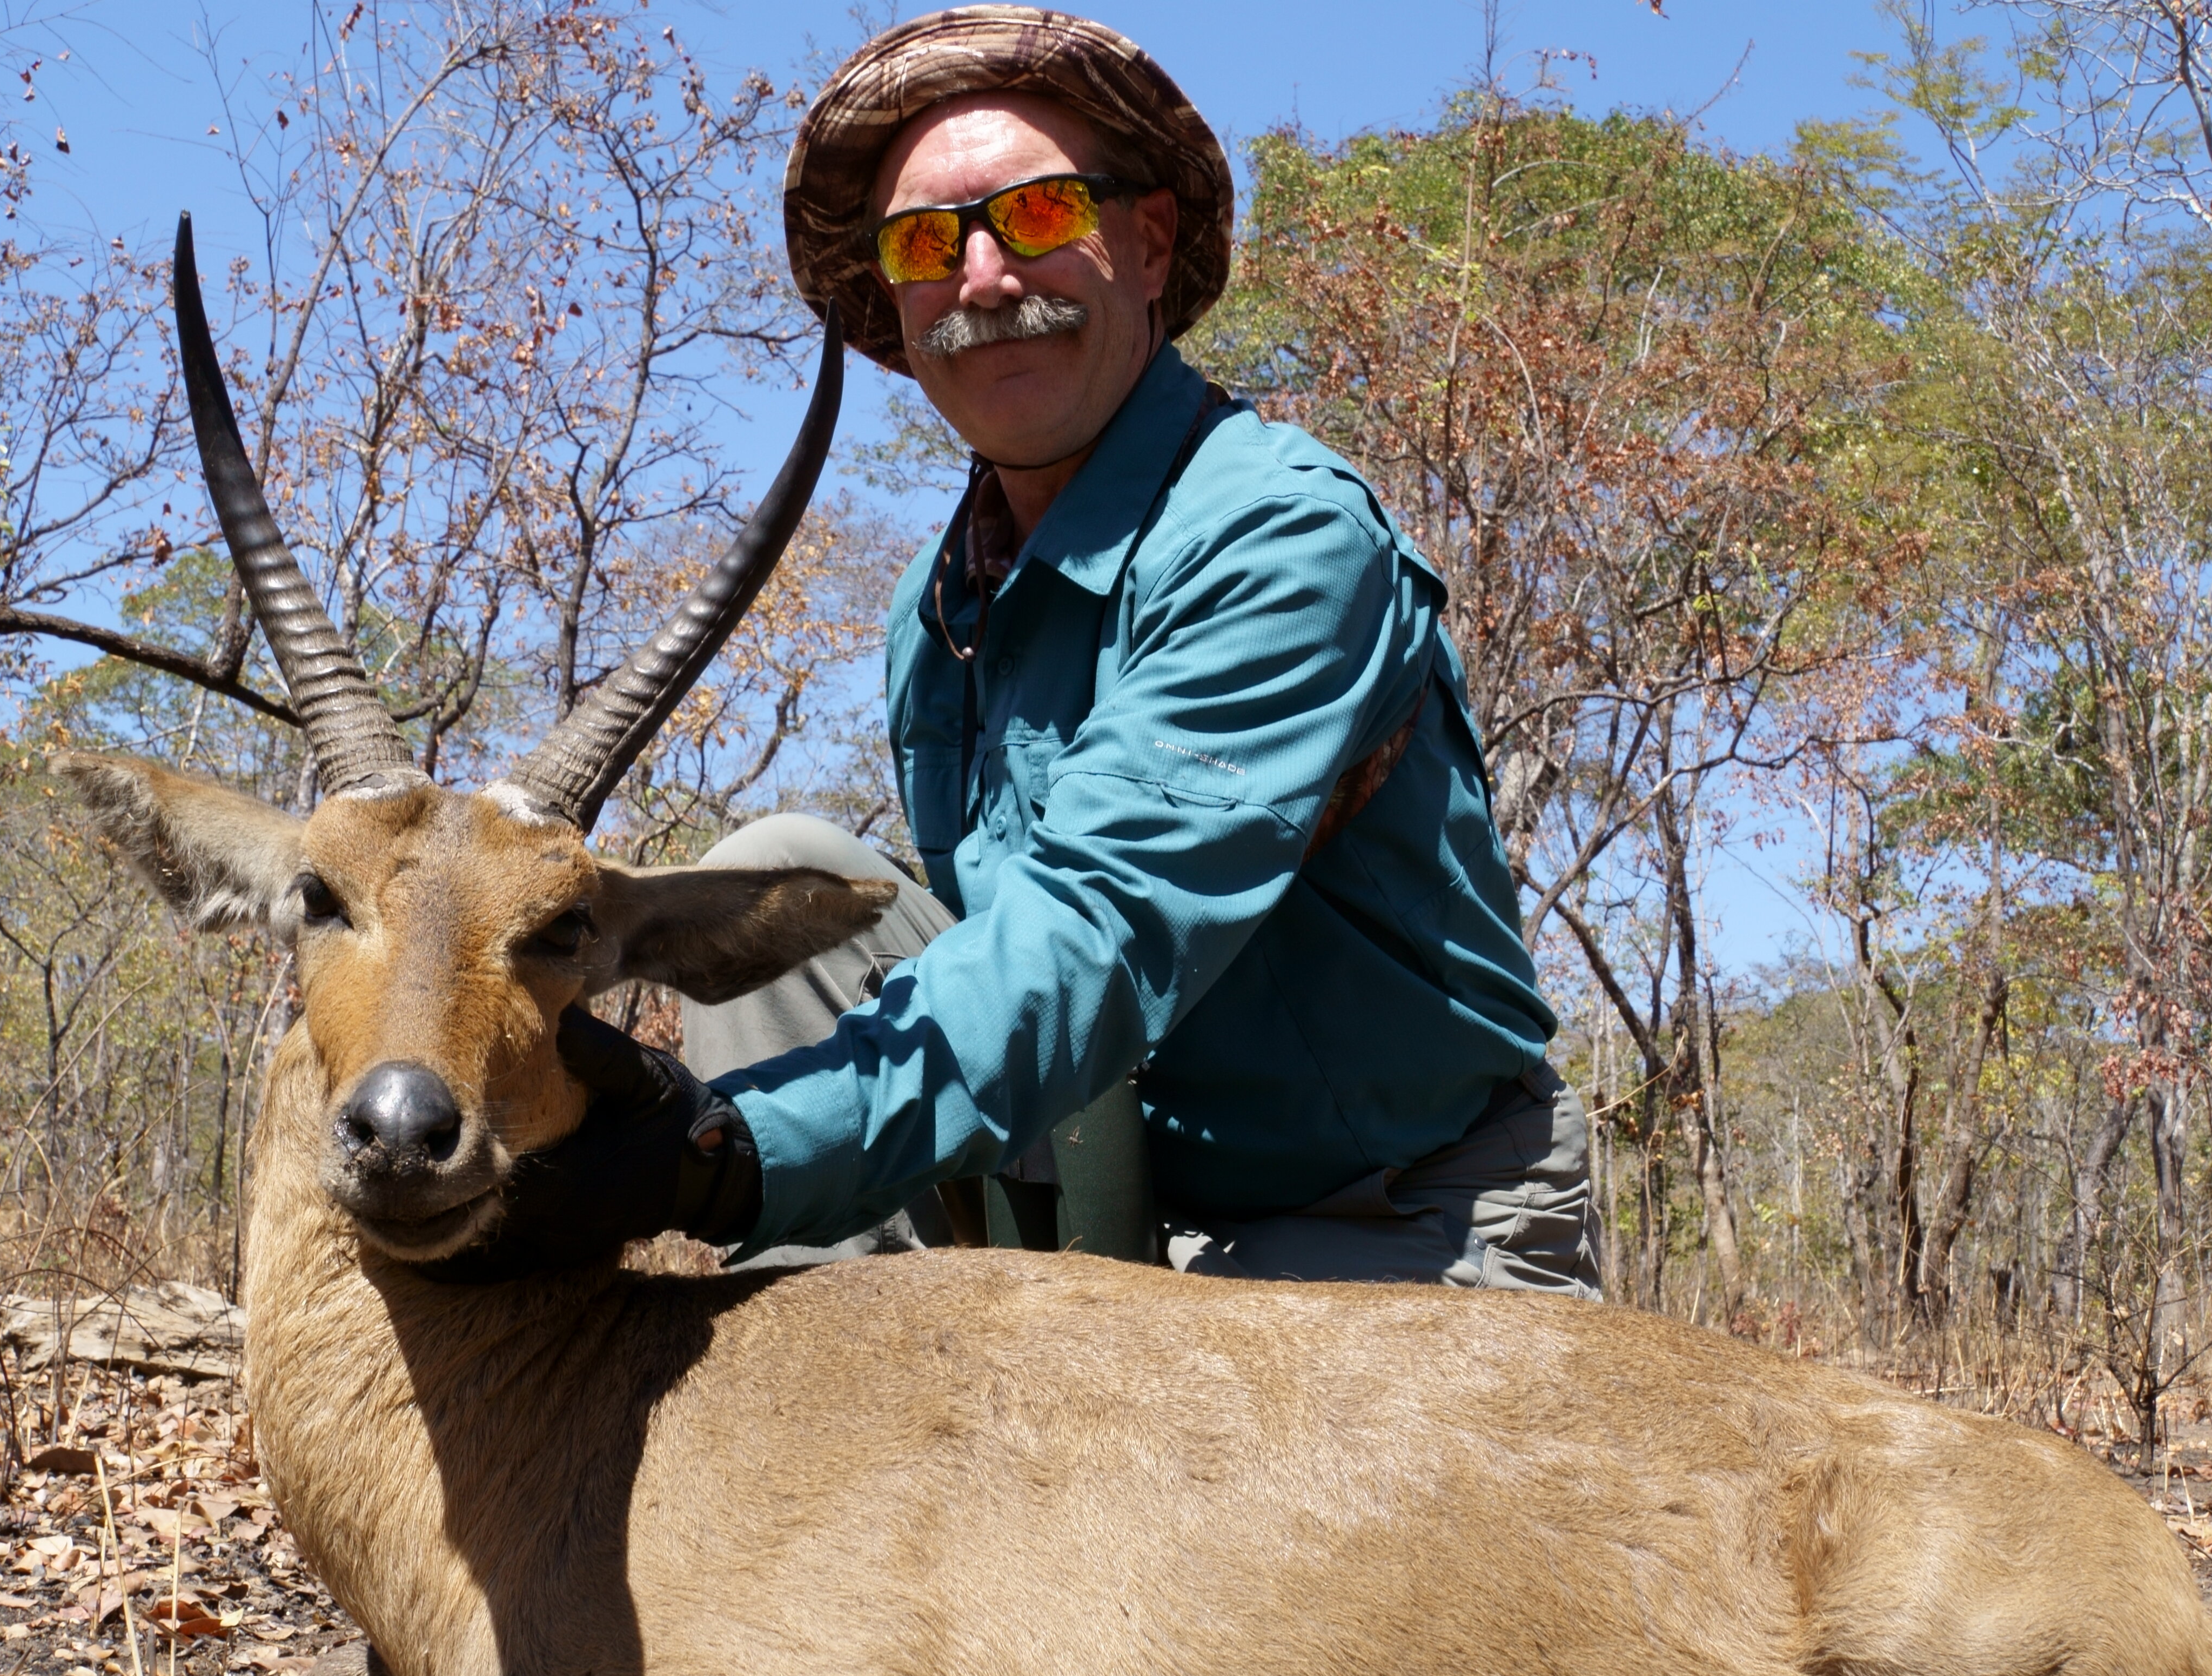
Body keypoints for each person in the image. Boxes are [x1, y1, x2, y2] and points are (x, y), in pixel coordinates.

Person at [494, 5, 1596, 1295]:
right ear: (893, 304)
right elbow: (995, 942)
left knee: (1209, 1491)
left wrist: (725, 1158)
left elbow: (1095, 936)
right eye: (923, 241)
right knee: (780, 870)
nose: (979, 278)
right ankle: (826, 1409)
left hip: (1393, 1212)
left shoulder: (1281, 537)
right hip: (1117, 1188)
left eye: (1034, 216)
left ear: (1148, 241)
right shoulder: (934, 607)